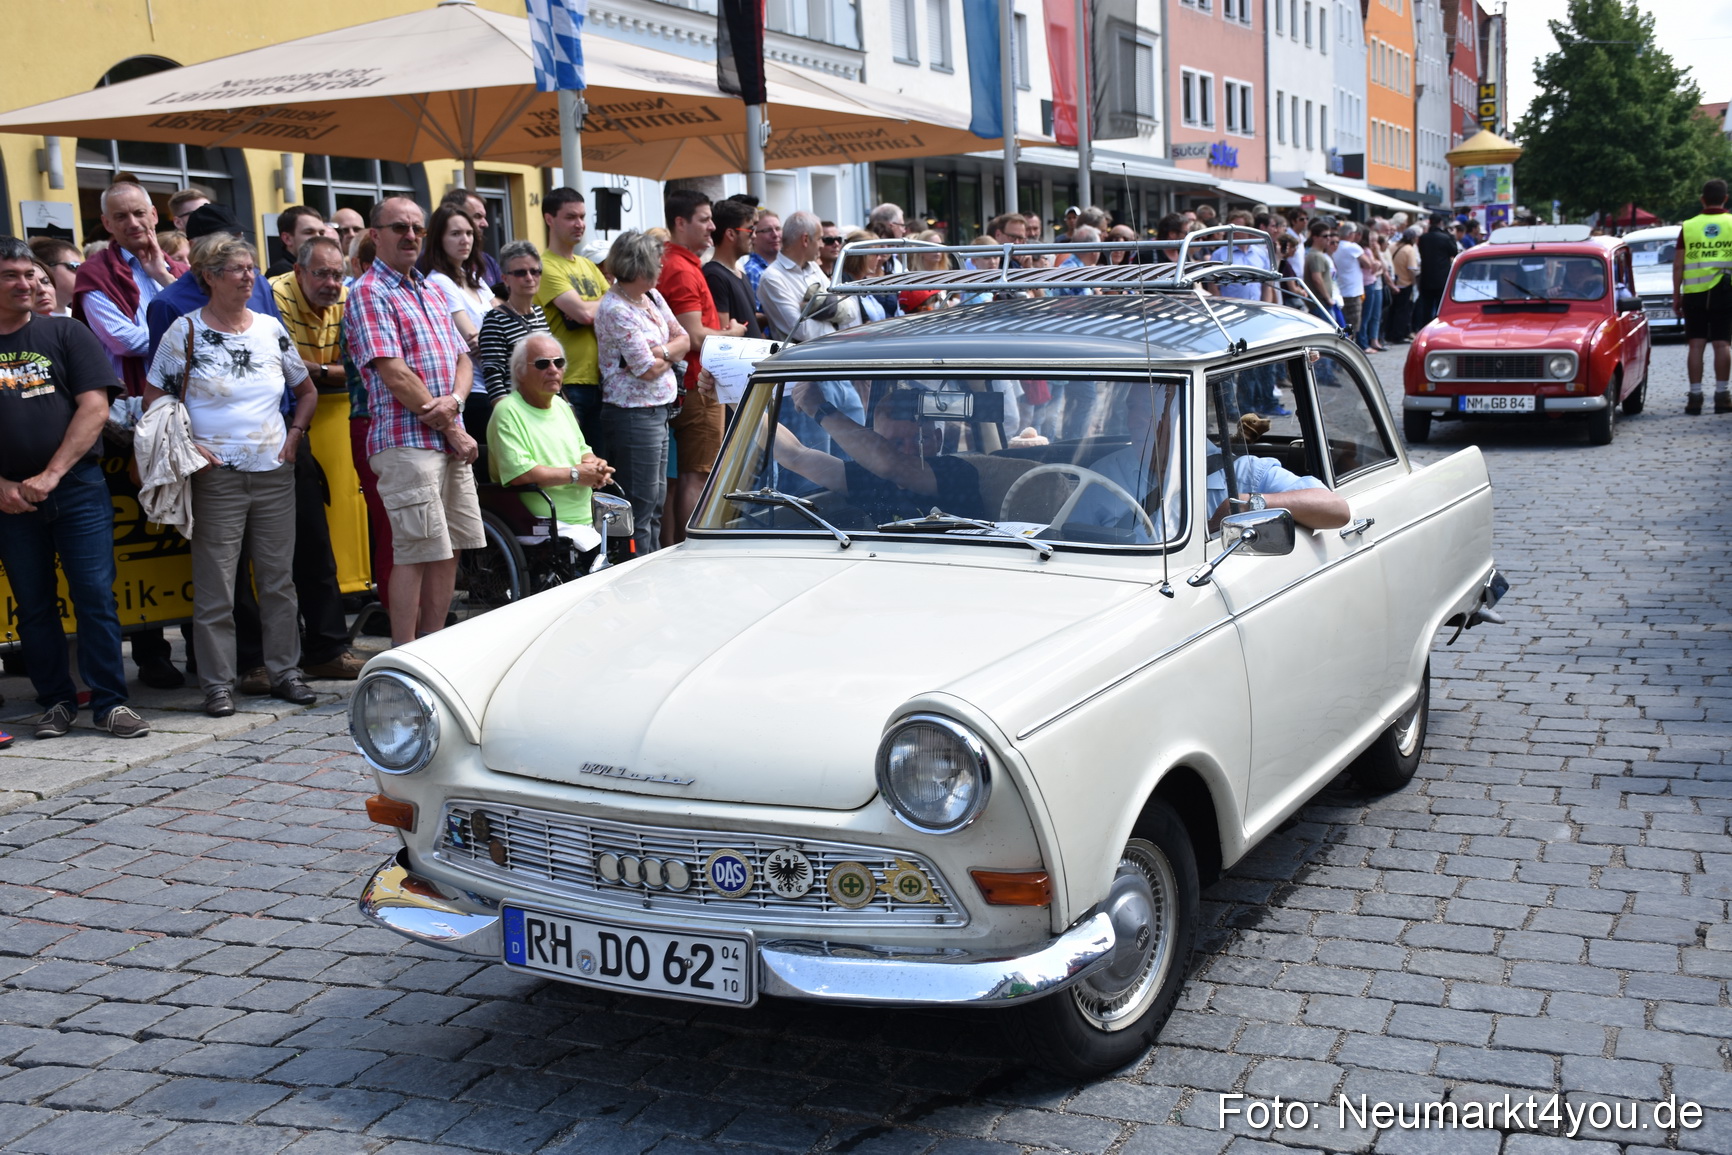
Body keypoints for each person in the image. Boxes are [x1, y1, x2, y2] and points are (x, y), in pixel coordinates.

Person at [144, 235, 319, 717]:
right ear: (210, 276)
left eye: (252, 269)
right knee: (217, 585)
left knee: (278, 581)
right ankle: (217, 684)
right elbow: (153, 400)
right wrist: (192, 447)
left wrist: (296, 434)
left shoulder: (269, 328)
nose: (250, 277)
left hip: (274, 472)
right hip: (215, 477)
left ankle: (286, 672)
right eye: (239, 269)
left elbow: (305, 390)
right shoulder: (185, 331)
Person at [0, 235, 150, 741]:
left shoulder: (66, 334)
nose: (25, 284)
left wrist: (51, 474)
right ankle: (56, 703)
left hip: (77, 487)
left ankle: (110, 703)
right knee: (33, 603)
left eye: (30, 274)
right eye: (10, 276)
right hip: (8, 501)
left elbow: (95, 408)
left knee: (93, 596)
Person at [347, 196, 485, 647]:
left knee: (451, 547)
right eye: (399, 227)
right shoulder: (369, 291)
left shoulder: (428, 288)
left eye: (417, 229)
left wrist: (455, 404)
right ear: (375, 235)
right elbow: (393, 372)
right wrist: (450, 424)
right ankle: (404, 654)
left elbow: (463, 358)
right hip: (406, 440)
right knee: (415, 550)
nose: (410, 236)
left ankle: (435, 644)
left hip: (446, 437)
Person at [267, 234, 369, 682]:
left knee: (316, 544)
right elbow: (279, 366)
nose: (332, 283)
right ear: (297, 271)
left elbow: (364, 365)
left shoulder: (347, 299)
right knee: (273, 553)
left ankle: (327, 647)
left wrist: (319, 371)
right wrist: (327, 373)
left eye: (338, 274)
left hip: (314, 425)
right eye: (322, 274)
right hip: (276, 427)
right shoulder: (274, 295)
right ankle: (271, 657)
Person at [659, 190, 747, 544]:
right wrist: (732, 334)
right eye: (704, 219)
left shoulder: (679, 262)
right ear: (680, 223)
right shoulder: (679, 267)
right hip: (698, 382)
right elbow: (694, 336)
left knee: (677, 481)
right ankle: (687, 550)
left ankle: (672, 548)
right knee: (697, 476)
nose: (712, 226)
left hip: (690, 382)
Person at [595, 230, 690, 556]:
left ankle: (649, 568)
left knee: (656, 500)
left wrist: (660, 351)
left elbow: (685, 339)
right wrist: (669, 352)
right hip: (633, 413)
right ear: (639, 266)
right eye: (656, 260)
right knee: (640, 504)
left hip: (658, 409)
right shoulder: (615, 308)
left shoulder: (650, 296)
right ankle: (635, 572)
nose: (662, 265)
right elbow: (644, 369)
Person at [774, 382, 986, 522]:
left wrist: (820, 409)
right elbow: (794, 455)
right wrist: (743, 404)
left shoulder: (957, 472)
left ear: (939, 439)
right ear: (876, 441)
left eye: (921, 439)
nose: (910, 450)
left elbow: (892, 465)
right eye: (895, 443)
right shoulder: (869, 478)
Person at [487, 332, 614, 561]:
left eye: (559, 362)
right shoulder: (507, 411)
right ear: (520, 372)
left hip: (585, 515)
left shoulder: (562, 406)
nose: (553, 369)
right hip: (543, 521)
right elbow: (521, 474)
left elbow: (583, 449)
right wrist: (576, 474)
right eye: (542, 363)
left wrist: (595, 466)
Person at [74, 181, 189, 397]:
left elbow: (205, 321)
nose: (133, 223)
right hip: (136, 400)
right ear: (107, 223)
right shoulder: (94, 273)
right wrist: (187, 341)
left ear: (154, 215)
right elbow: (125, 341)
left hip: (192, 392)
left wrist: (163, 277)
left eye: (139, 213)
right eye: (121, 217)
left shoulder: (179, 271)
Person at [535, 188, 609, 453]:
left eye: (582, 216)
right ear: (549, 219)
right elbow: (586, 314)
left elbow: (618, 305)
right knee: (573, 461)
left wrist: (586, 309)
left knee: (599, 465)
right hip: (566, 381)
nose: (579, 224)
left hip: (600, 380)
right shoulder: (543, 266)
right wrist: (593, 308)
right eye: (570, 217)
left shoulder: (587, 265)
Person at [475, 240, 552, 431]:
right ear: (505, 279)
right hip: (519, 415)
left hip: (546, 412)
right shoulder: (495, 320)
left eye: (535, 271)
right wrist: (509, 420)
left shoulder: (539, 313)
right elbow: (494, 376)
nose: (529, 278)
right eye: (520, 273)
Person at [1674, 178, 1732, 415]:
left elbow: (1678, 265)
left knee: (1695, 345)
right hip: (1725, 292)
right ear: (1725, 198)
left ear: (1702, 199)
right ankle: (1722, 395)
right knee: (1722, 344)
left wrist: (1676, 295)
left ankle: (1695, 397)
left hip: (1694, 294)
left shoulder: (1688, 227)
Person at [758, 211, 839, 343]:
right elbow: (802, 330)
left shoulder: (813, 267)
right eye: (819, 239)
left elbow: (850, 311)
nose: (822, 245)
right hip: (805, 360)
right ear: (805, 240)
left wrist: (817, 309)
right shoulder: (772, 278)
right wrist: (837, 327)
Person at [419, 203, 490, 352]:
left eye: (469, 233)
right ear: (439, 239)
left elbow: (507, 317)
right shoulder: (439, 281)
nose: (465, 240)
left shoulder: (473, 276)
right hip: (474, 373)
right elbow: (471, 337)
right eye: (455, 234)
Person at [705, 197, 765, 340]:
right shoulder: (714, 276)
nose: (754, 236)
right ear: (731, 234)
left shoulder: (740, 274)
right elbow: (722, 335)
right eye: (750, 230)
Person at [439, 188, 503, 288]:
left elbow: (506, 298)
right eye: (477, 216)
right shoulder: (429, 267)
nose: (485, 224)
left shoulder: (487, 261)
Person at [1414, 211, 1459, 330]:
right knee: (1441, 306)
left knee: (1426, 308)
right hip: (1442, 277)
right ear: (1440, 223)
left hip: (1427, 276)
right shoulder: (1445, 237)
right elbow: (1454, 252)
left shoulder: (1423, 238)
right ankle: (1440, 329)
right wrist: (1452, 237)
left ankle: (1425, 329)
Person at [1333, 221, 1369, 343]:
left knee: (1343, 324)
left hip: (1341, 289)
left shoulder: (1335, 246)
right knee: (1353, 325)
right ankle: (1351, 349)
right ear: (1351, 234)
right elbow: (1368, 264)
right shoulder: (1352, 247)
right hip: (1353, 290)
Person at [267, 205, 326, 279]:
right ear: (287, 239)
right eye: (309, 232)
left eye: (321, 233)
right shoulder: (282, 273)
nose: (318, 237)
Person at [30, 238, 80, 316]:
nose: (81, 272)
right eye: (75, 266)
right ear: (46, 270)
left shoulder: (81, 316)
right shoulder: (27, 320)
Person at [744, 210, 781, 316]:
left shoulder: (785, 267)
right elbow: (752, 316)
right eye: (767, 230)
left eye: (778, 229)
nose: (775, 235)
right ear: (754, 236)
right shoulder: (752, 271)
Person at [1386, 227, 1420, 342]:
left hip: (1392, 282)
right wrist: (1414, 282)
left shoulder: (1392, 245)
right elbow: (1411, 269)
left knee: (1392, 310)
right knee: (1403, 311)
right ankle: (1398, 335)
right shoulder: (1409, 249)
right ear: (1413, 238)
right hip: (1405, 283)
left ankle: (1389, 333)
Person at [1303, 221, 1340, 323]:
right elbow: (1317, 279)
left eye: (1329, 235)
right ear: (1315, 237)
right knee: (1331, 333)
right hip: (1321, 304)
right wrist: (1328, 298)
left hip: (1322, 303)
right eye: (1325, 236)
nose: (1329, 238)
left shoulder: (1318, 254)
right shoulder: (1316, 255)